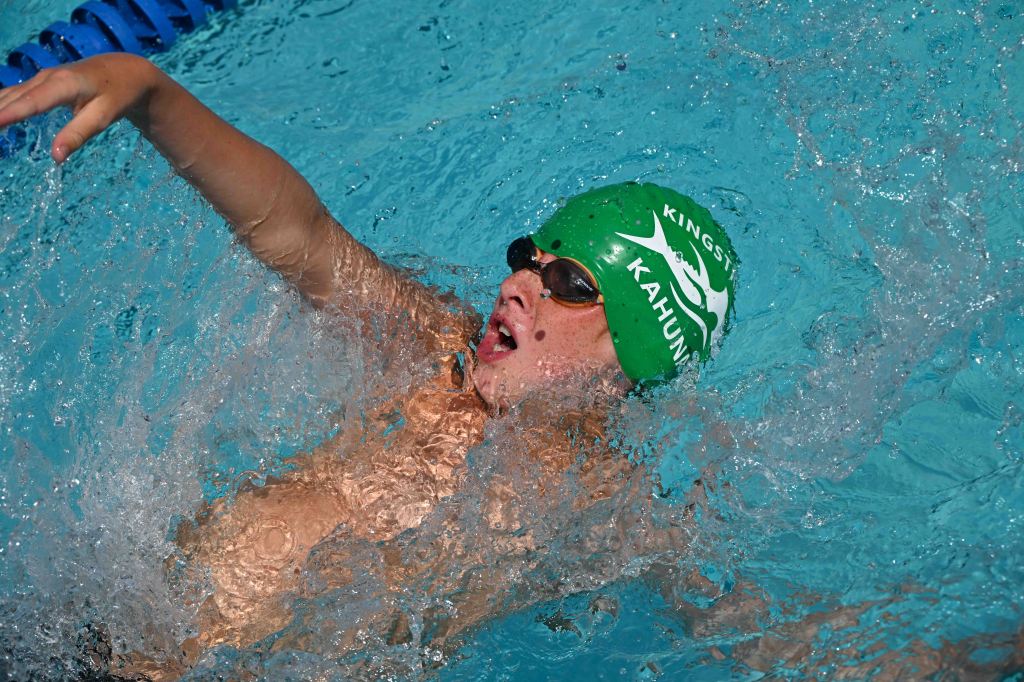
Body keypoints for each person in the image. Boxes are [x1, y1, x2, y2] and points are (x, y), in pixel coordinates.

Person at [0, 54, 737, 677]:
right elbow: (300, 234)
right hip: (97, 639)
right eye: (526, 258)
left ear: (630, 356)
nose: (518, 283)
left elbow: (740, 618)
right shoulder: (435, 350)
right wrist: (151, 93)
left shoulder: (608, 505)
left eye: (568, 283)